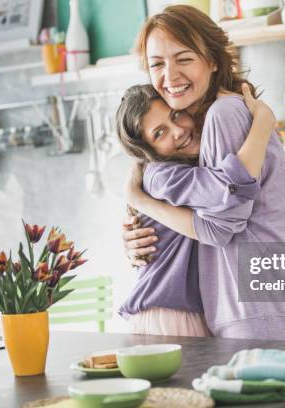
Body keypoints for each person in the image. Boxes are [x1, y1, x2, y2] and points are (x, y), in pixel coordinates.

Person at [123, 5, 285, 340]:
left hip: (258, 304)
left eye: (183, 59)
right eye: (157, 64)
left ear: (212, 60)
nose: (169, 75)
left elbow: (218, 227)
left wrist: (138, 199)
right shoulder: (212, 121)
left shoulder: (222, 115)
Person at [116, 83, 276, 336]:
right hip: (167, 315)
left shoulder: (191, 168)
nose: (178, 131)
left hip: (190, 311)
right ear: (149, 151)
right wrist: (264, 121)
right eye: (160, 133)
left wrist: (138, 201)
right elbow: (232, 188)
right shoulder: (160, 175)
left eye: (176, 115)